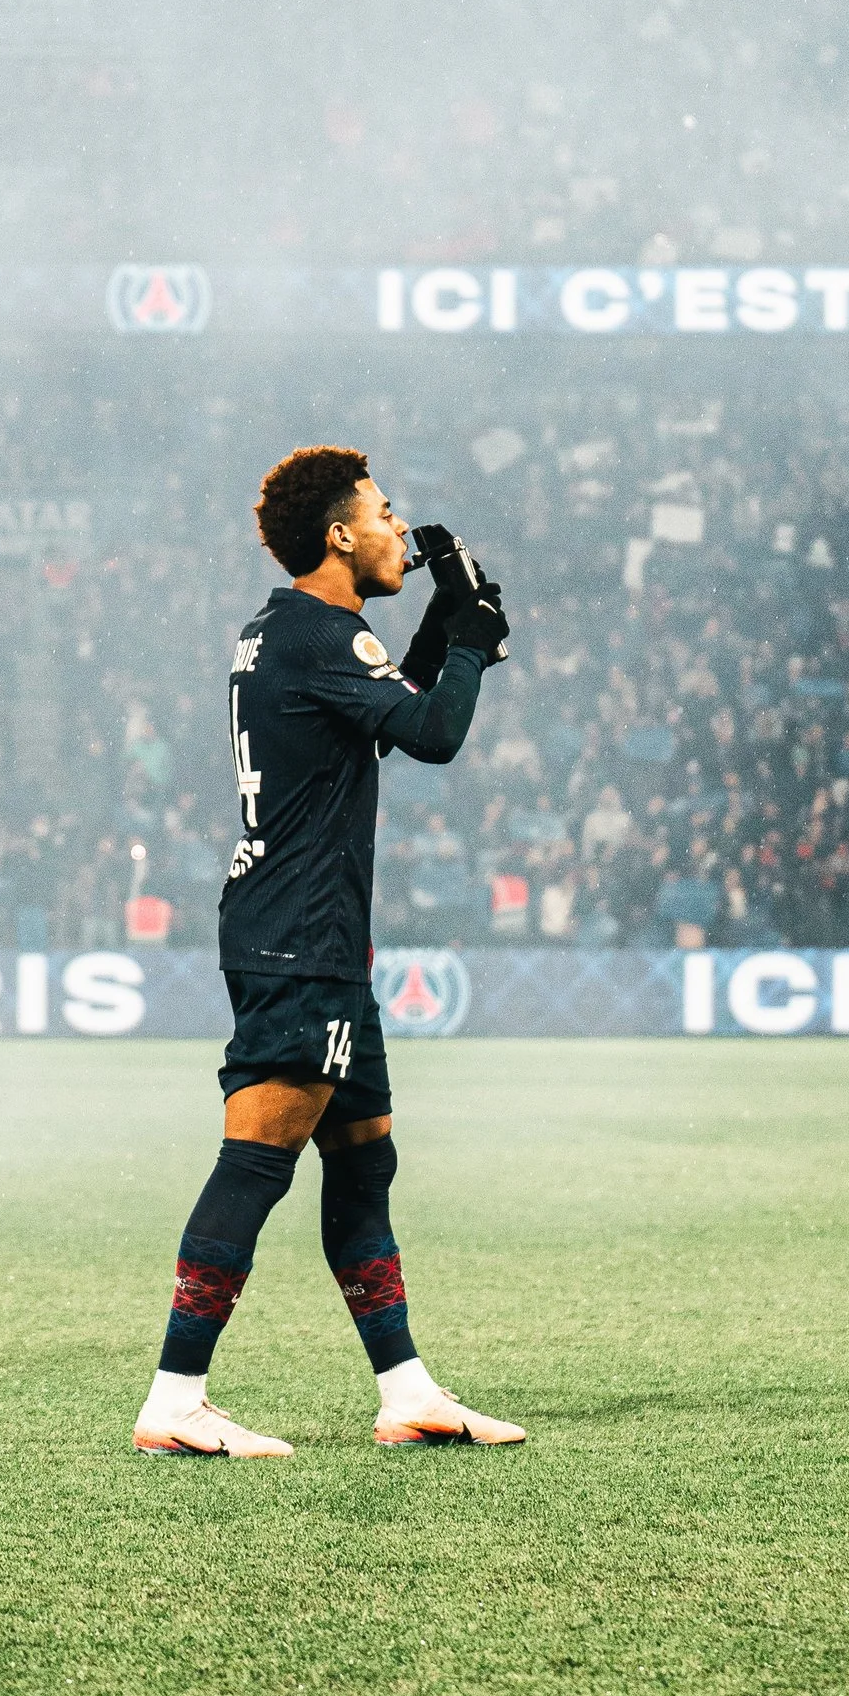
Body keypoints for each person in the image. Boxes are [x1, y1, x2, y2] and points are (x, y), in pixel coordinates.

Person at [133, 446, 527, 1458]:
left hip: (304, 930)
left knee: (363, 1156)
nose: (403, 527)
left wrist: (439, 625)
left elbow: (390, 718)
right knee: (258, 1157)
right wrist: (475, 641)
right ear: (341, 532)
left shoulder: (284, 631)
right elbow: (436, 734)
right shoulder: (326, 636)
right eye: (385, 513)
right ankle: (176, 1396)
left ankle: (406, 1389)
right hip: (300, 936)